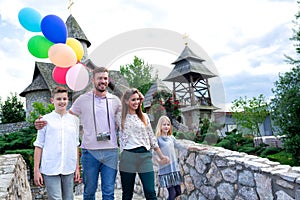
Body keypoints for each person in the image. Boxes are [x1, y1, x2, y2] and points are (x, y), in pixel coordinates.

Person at [35, 67, 122, 200]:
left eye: (105, 78)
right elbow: (64, 116)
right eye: (99, 78)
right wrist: (40, 122)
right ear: (93, 80)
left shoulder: (115, 101)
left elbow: (127, 118)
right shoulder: (82, 99)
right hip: (90, 152)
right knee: (89, 191)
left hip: (111, 151)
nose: (102, 81)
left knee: (109, 191)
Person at [116, 88, 169, 200]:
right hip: (128, 156)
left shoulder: (144, 116)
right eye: (133, 100)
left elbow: (151, 137)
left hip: (144, 156)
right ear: (126, 101)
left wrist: (161, 156)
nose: (136, 102)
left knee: (150, 191)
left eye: (138, 100)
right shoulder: (119, 117)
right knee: (127, 193)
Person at [33, 86, 81, 200]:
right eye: (59, 99)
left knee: (69, 198)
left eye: (64, 99)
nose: (62, 102)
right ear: (52, 100)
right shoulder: (44, 120)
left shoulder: (74, 120)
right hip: (50, 168)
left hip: (68, 167)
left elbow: (75, 145)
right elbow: (39, 146)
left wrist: (77, 168)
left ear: (68, 100)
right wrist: (36, 170)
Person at [155, 115, 207, 200]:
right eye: (164, 124)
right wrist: (160, 161)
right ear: (160, 126)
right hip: (166, 171)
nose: (166, 126)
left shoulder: (171, 138)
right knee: (172, 194)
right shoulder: (157, 139)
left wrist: (196, 148)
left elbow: (181, 146)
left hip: (174, 170)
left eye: (168, 124)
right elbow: (154, 154)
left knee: (178, 192)